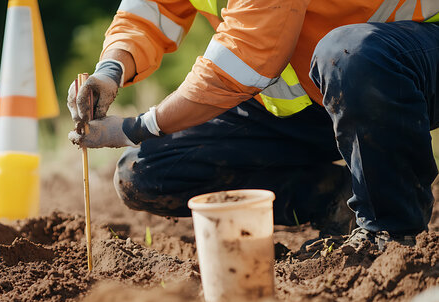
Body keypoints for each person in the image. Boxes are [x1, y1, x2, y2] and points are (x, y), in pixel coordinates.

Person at [67, 0, 439, 251]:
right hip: (319, 96)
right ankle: (335, 199)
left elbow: (244, 56)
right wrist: (111, 69)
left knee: (350, 53)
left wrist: (137, 126)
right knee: (144, 173)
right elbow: (149, 8)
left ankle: (391, 232)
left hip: (407, 64)